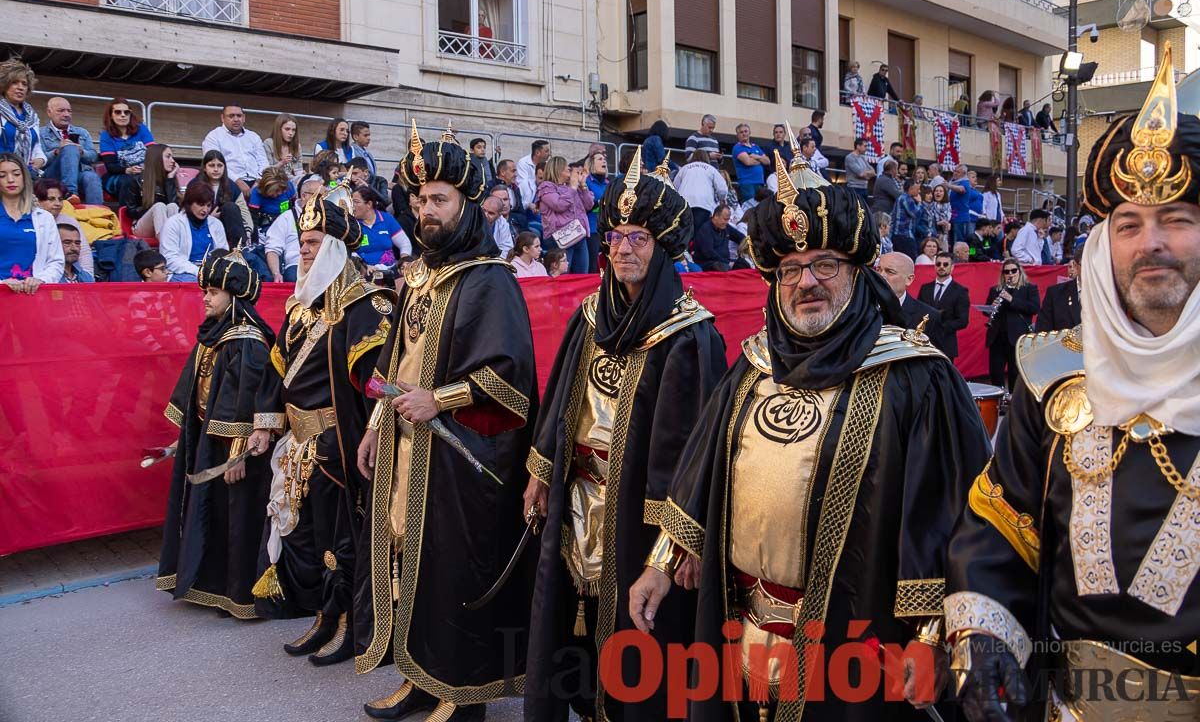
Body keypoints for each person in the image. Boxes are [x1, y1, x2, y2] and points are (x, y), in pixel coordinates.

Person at [628, 152, 991, 722]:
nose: (807, 283)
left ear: (856, 272)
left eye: (825, 264)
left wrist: (931, 634)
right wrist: (660, 560)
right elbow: (701, 471)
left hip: (857, 642)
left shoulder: (917, 378)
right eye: (791, 270)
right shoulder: (752, 365)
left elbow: (946, 519)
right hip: (742, 629)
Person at [947, 48, 1200, 722]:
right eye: (1128, 224)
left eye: (1177, 219)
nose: (1152, 243)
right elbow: (999, 529)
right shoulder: (1051, 377)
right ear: (1102, 245)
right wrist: (984, 641)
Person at [523, 148, 726, 722]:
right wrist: (540, 472)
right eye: (615, 237)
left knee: (635, 634)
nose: (623, 250)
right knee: (571, 614)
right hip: (578, 496)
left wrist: (677, 545)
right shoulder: (590, 315)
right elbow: (559, 400)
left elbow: (695, 457)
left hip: (639, 512)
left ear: (661, 249)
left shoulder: (690, 336)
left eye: (638, 238)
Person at [355, 126, 537, 722]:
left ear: (465, 205)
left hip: (460, 457)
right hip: (406, 448)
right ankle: (419, 677)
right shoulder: (418, 275)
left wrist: (440, 398)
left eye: (439, 201)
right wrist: (374, 423)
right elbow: (391, 362)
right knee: (412, 564)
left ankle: (462, 697)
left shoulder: (492, 279)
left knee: (453, 570)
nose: (425, 212)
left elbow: (510, 376)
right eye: (418, 201)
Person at [248, 185, 393, 667]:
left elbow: (378, 385)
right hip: (300, 442)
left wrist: (362, 438)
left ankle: (351, 624)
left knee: (343, 542)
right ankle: (324, 617)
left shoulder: (365, 306)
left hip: (338, 442)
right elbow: (278, 371)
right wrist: (267, 426)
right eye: (301, 242)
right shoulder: (299, 307)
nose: (302, 252)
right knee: (310, 539)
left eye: (310, 244)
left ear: (332, 246)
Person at [156, 248, 274, 617]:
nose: (205, 297)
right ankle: (208, 584)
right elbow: (198, 390)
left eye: (213, 291)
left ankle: (237, 594)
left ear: (234, 294)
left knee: (234, 518)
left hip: (234, 450)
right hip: (210, 440)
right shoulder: (214, 334)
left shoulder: (248, 340)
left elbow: (250, 399)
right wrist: (187, 435)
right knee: (210, 512)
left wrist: (238, 452)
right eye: (204, 289)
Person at [1, 153, 62, 291]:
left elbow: (56, 261)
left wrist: (42, 279)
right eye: (2, 175)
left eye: (16, 174)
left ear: (24, 177)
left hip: (33, 297)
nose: (10, 180)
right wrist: (2, 283)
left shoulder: (44, 218)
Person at [984, 258, 1039, 391]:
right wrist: (991, 308)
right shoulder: (996, 290)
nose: (1010, 274)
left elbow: (1034, 308)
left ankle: (1014, 403)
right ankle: (998, 402)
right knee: (996, 372)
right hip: (997, 337)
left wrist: (1012, 299)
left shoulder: (1029, 289)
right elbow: (987, 311)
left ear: (1019, 272)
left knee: (1015, 373)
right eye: (1007, 272)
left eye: (1014, 271)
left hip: (1017, 338)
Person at [159, 183, 230, 282]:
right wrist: (198, 271)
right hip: (183, 272)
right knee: (195, 282)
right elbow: (169, 259)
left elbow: (224, 252)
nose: (205, 210)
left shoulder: (216, 224)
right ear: (189, 203)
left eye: (208, 205)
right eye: (201, 205)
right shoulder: (172, 223)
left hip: (211, 272)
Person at [536, 155, 594, 275]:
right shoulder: (546, 187)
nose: (569, 169)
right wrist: (572, 187)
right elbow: (559, 205)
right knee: (563, 275)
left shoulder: (570, 187)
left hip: (578, 234)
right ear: (557, 169)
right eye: (566, 167)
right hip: (560, 237)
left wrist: (583, 185)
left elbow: (589, 205)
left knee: (582, 275)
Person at [878, 251, 946, 353]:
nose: (881, 276)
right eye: (878, 270)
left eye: (890, 272)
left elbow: (936, 361)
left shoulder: (929, 316)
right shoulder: (858, 308)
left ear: (909, 280)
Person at [38, 97, 102, 203]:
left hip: (80, 173)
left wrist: (82, 152)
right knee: (69, 148)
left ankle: (98, 214)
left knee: (92, 177)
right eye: (61, 111)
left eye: (69, 111)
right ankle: (70, 193)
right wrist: (57, 151)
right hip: (52, 175)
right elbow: (39, 161)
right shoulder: (40, 133)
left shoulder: (82, 132)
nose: (66, 114)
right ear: (49, 112)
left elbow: (93, 157)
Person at [264, 173, 322, 282]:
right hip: (297, 265)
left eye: (325, 196)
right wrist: (276, 273)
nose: (323, 200)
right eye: (318, 196)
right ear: (304, 196)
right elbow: (272, 249)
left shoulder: (329, 217)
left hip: (323, 264)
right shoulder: (286, 217)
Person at [202, 105, 270, 197]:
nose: (236, 119)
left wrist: (259, 181)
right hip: (229, 180)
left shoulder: (253, 136)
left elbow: (263, 161)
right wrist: (238, 181)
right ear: (222, 118)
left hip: (257, 180)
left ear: (244, 118)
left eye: (239, 116)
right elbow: (215, 165)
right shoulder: (214, 137)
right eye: (231, 116)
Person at [34, 179, 94, 276]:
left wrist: (87, 280)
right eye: (51, 199)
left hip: (69, 275)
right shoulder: (30, 222)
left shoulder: (69, 221)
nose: (58, 203)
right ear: (37, 201)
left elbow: (84, 252)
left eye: (60, 199)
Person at [917, 251, 971, 360]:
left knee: (945, 377)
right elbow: (918, 312)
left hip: (946, 344)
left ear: (952, 267)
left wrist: (940, 327)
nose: (941, 267)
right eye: (938, 264)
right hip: (925, 344)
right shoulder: (925, 288)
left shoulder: (960, 291)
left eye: (945, 264)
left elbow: (963, 321)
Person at [99, 97, 155, 200]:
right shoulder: (105, 136)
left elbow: (153, 153)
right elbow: (111, 166)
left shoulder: (141, 129)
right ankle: (127, 213)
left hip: (144, 172)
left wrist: (145, 168)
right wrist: (128, 170)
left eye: (126, 112)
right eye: (118, 112)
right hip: (120, 174)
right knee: (129, 181)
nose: (123, 115)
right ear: (111, 115)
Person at [120, 143, 181, 239]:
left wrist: (170, 179)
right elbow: (130, 211)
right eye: (168, 157)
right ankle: (168, 246)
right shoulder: (136, 180)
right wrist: (151, 208)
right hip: (142, 226)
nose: (173, 161)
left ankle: (172, 243)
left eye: (172, 157)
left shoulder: (170, 180)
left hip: (164, 226)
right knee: (159, 206)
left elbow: (174, 205)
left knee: (172, 206)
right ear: (156, 159)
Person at [196, 149, 254, 248]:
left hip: (227, 227)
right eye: (211, 165)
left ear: (224, 168)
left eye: (219, 166)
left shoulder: (232, 186)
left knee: (230, 207)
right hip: (200, 225)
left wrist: (248, 231)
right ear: (204, 168)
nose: (216, 169)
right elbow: (188, 211)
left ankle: (240, 249)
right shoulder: (195, 184)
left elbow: (244, 211)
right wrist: (210, 218)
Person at [351, 185, 411, 273]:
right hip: (364, 272)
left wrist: (404, 260)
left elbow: (404, 243)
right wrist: (363, 266)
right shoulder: (352, 223)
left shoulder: (386, 218)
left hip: (390, 270)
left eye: (356, 202)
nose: (352, 206)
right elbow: (350, 252)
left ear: (369, 204)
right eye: (351, 202)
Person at [0, 59, 46, 171]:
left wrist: (40, 159)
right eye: (14, 82)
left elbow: (36, 146)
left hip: (26, 172)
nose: (20, 87)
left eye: (24, 84)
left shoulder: (32, 116)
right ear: (4, 85)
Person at [674, 147, 728, 234]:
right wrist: (719, 199)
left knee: (684, 234)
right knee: (699, 234)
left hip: (684, 205)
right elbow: (723, 189)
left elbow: (675, 187)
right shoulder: (711, 169)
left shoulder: (684, 168)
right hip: (704, 205)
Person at [1035, 248, 1082, 332]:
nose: (1092, 269)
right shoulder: (1055, 294)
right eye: (1087, 264)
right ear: (1075, 265)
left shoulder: (1110, 294)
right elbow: (1043, 334)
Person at [693, 202, 745, 272]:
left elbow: (740, 237)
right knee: (721, 266)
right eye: (725, 219)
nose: (727, 222)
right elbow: (709, 253)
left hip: (726, 261)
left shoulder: (726, 227)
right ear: (716, 216)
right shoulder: (705, 229)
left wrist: (746, 244)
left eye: (728, 219)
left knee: (743, 264)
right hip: (709, 263)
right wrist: (728, 263)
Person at [247, 166, 298, 235]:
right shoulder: (256, 193)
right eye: (276, 191)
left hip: (287, 221)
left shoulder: (289, 186)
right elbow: (253, 220)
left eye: (282, 190)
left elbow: (295, 207)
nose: (279, 193)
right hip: (267, 225)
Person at [584, 150, 609, 272]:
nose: (604, 160)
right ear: (591, 164)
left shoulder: (608, 183)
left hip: (607, 228)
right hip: (592, 228)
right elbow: (586, 204)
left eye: (604, 159)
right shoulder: (587, 181)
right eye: (600, 159)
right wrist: (598, 203)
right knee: (593, 264)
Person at [731, 123, 768, 204]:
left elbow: (767, 161)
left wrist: (755, 156)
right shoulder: (738, 147)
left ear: (749, 132)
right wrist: (760, 160)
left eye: (745, 131)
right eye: (741, 132)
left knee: (761, 209)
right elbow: (748, 162)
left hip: (759, 183)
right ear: (737, 135)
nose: (744, 133)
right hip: (747, 184)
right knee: (750, 209)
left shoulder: (756, 147)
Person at [263, 113, 306, 184]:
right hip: (274, 180)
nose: (291, 133)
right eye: (287, 129)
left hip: (293, 181)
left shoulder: (297, 146)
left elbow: (298, 169)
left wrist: (302, 174)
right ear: (279, 129)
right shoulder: (269, 143)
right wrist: (282, 163)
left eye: (293, 130)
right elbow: (266, 171)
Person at [488, 158, 525, 233]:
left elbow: (521, 212)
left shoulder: (515, 188)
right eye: (513, 171)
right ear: (502, 172)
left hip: (516, 224)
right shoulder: (490, 186)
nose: (516, 175)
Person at [517, 140, 550, 220]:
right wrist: (529, 204)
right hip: (529, 201)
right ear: (538, 153)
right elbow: (524, 186)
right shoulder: (523, 163)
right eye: (546, 151)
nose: (549, 154)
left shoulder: (548, 164)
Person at [843, 137, 873, 204]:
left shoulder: (863, 158)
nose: (866, 148)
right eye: (865, 146)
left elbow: (873, 172)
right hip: (854, 188)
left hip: (864, 188)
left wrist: (866, 174)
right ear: (858, 146)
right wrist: (867, 174)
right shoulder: (850, 157)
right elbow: (860, 173)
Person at [927, 179, 952, 249]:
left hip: (943, 233)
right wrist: (939, 223)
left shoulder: (948, 205)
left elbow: (947, 218)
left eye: (941, 191)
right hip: (933, 233)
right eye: (936, 191)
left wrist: (946, 224)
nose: (938, 193)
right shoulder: (930, 205)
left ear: (944, 194)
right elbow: (929, 219)